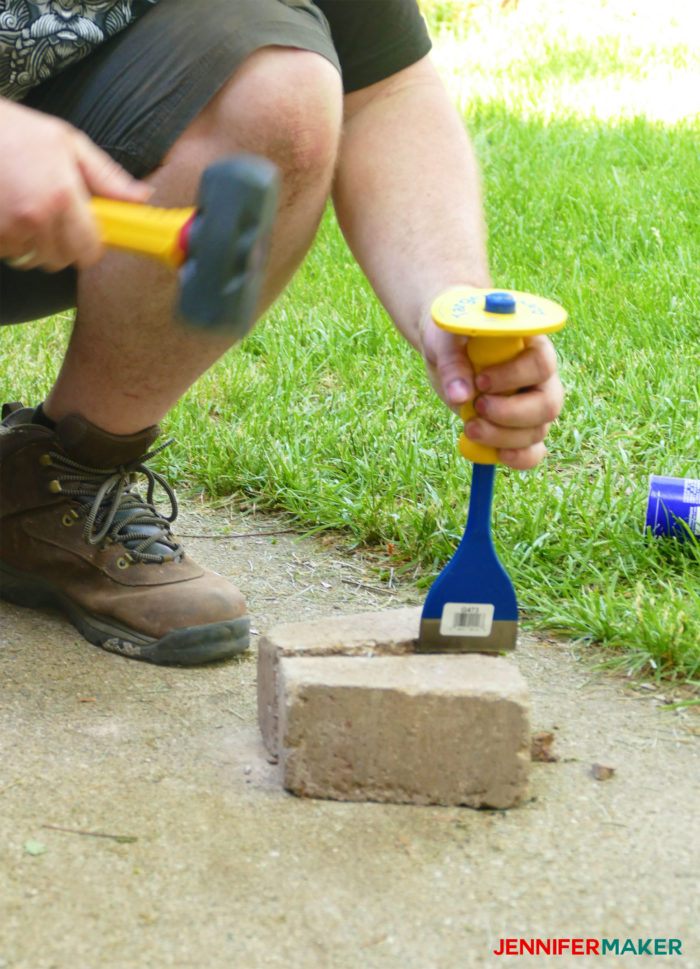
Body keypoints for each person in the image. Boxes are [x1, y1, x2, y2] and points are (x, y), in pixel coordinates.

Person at [0, 0, 564, 665]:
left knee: (280, 92)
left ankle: (56, 479)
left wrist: (449, 300)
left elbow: (384, 92)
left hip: (63, 195)